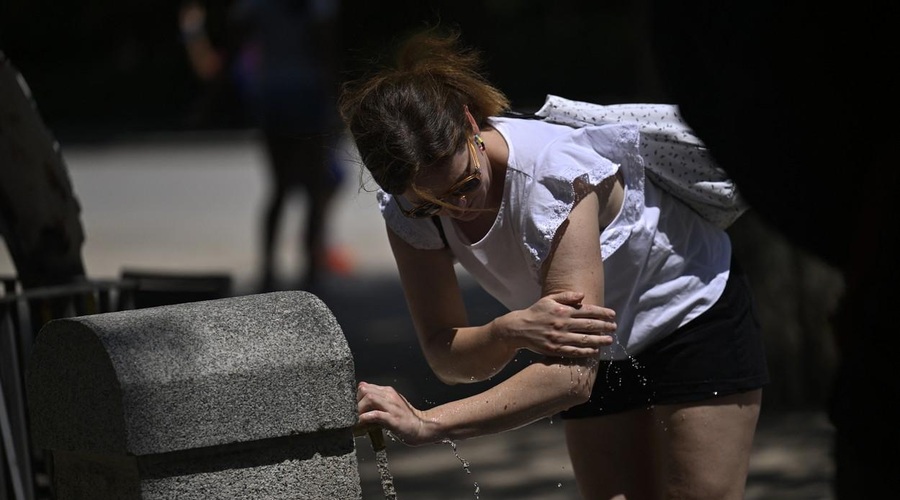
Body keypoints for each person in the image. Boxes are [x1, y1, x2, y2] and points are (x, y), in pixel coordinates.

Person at [341, 29, 768, 499]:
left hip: (688, 313)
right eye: (430, 206)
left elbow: (570, 378)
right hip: (597, 347)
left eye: (464, 185)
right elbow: (446, 354)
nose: (455, 210)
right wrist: (510, 331)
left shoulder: (551, 176)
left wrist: (428, 422)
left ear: (469, 123)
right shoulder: (409, 208)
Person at [179, 0, 349, 292]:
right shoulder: (317, 6)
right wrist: (337, 99)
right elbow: (326, 51)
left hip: (274, 96)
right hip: (308, 96)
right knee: (314, 188)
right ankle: (310, 273)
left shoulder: (255, 5)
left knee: (280, 187)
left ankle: (270, 270)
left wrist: (211, 98)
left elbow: (235, 47)